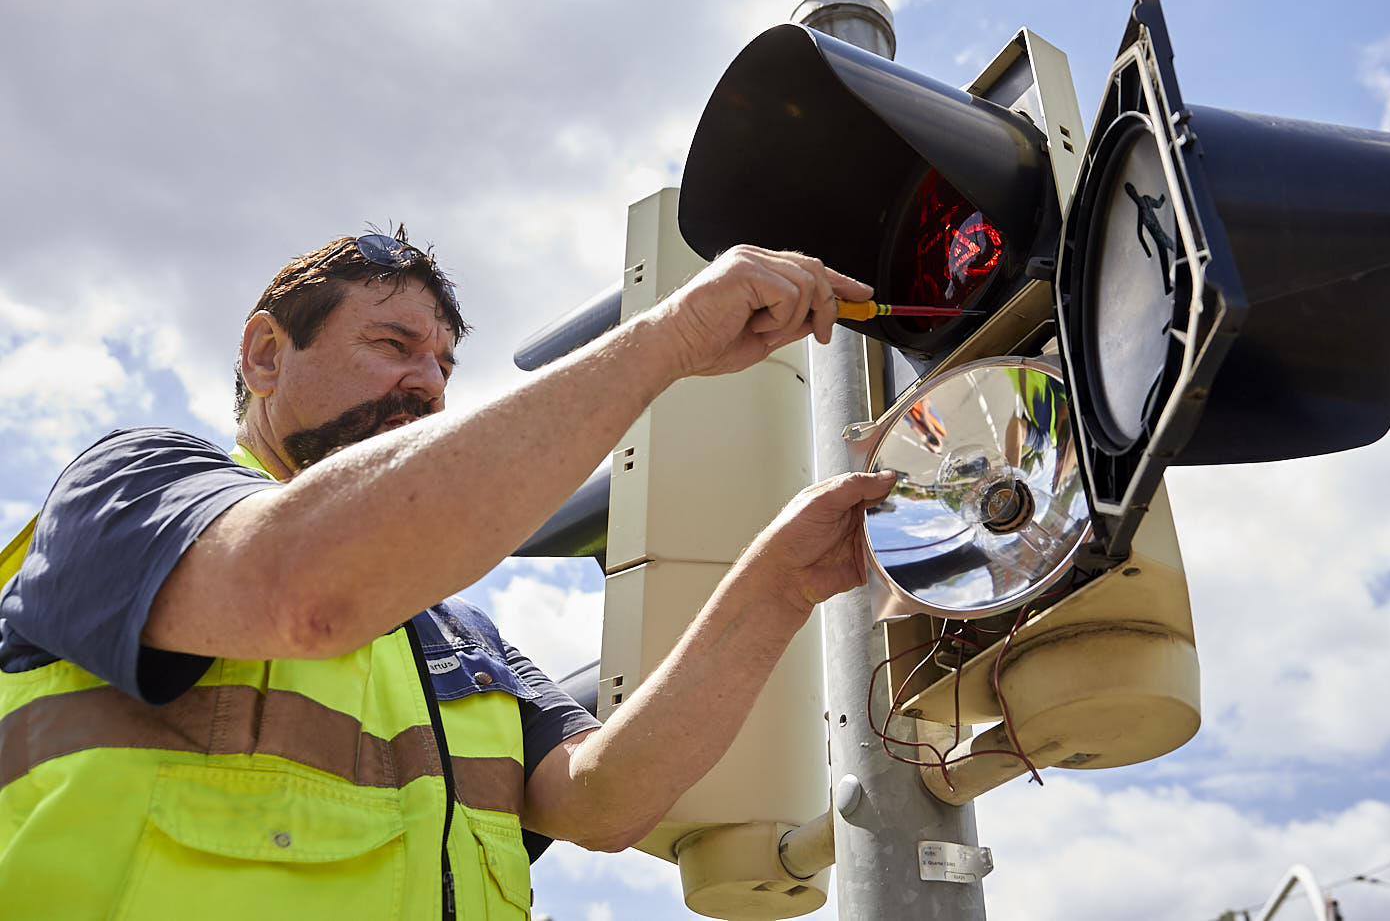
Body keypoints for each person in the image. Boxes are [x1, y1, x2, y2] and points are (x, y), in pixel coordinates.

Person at [0, 229, 896, 920]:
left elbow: (603, 800)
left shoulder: (463, 642)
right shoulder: (129, 486)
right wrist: (673, 336)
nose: (429, 384)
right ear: (266, 355)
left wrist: (780, 581)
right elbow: (303, 590)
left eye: (442, 365)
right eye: (394, 344)